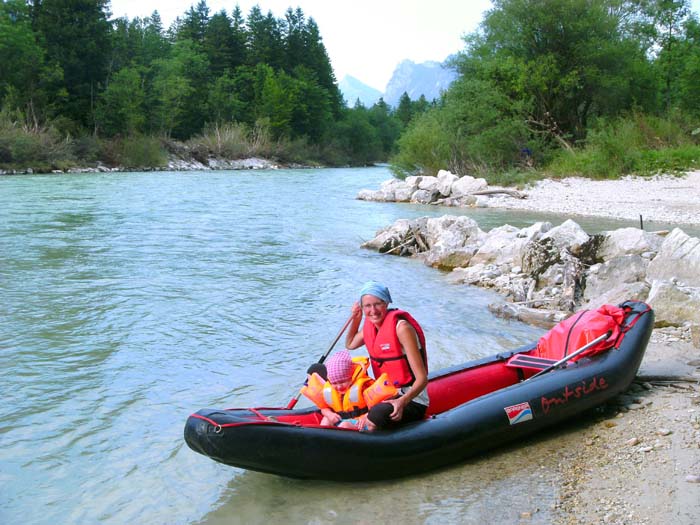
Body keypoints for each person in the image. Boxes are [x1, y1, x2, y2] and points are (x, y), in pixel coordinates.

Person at [345, 281, 429, 430]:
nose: (373, 310)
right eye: (367, 306)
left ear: (387, 303)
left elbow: (422, 379)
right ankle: (346, 426)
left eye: (378, 304)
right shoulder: (370, 327)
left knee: (376, 415)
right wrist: (356, 318)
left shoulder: (402, 328)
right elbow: (350, 344)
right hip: (385, 394)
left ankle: (362, 434)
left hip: (412, 399)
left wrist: (402, 402)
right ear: (362, 307)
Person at [301, 350, 396, 430]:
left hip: (360, 421)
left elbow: (378, 405)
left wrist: (367, 416)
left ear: (351, 377)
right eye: (335, 383)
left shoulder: (364, 385)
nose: (338, 386)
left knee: (344, 425)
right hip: (340, 418)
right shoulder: (329, 389)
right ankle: (321, 440)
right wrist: (329, 414)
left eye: (343, 382)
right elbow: (324, 408)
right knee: (326, 420)